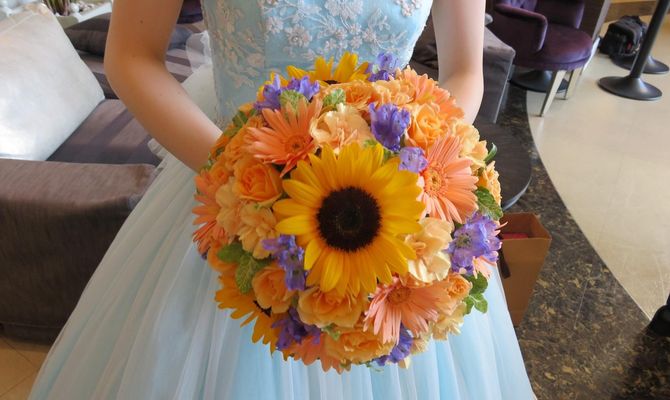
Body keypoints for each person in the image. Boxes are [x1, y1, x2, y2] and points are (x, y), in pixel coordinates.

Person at [29, 1, 535, 399]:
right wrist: (243, 180)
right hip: (237, 190)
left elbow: (464, 70)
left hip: (392, 201)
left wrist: (422, 167)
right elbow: (132, 55)